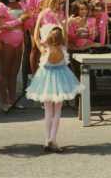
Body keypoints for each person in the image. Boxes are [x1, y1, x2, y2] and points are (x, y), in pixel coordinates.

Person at [26, 24, 83, 152]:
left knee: (48, 112)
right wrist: (60, 23)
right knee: (57, 112)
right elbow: (66, 34)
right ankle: (53, 138)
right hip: (61, 80)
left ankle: (47, 140)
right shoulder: (63, 49)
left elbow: (35, 37)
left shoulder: (45, 50)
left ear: (48, 38)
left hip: (46, 81)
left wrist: (40, 19)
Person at [0, 0, 30, 111]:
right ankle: (4, 102)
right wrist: (20, 19)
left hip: (20, 41)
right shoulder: (0, 6)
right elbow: (2, 26)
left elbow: (26, 25)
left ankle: (12, 100)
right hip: (5, 41)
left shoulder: (22, 4)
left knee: (14, 73)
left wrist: (30, 17)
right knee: (4, 73)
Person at [25, 0, 51, 74]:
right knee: (35, 47)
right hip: (35, 23)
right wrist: (32, 25)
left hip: (48, 24)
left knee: (47, 47)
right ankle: (34, 74)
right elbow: (29, 10)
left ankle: (45, 72)